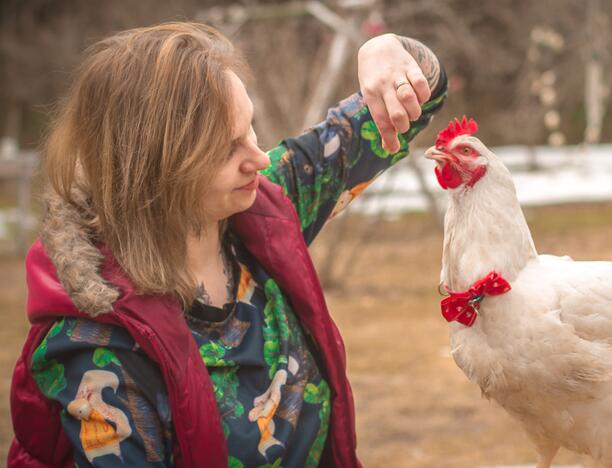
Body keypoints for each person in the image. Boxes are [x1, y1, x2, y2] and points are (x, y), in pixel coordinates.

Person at [8, 22, 447, 468]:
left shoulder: (265, 207)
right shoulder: (98, 349)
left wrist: (388, 51)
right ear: (155, 172)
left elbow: (415, 97)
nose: (258, 158)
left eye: (250, 128)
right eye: (225, 149)